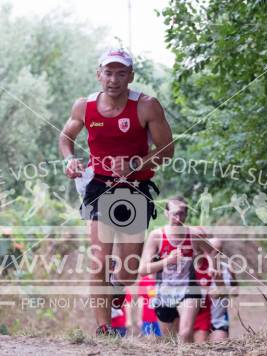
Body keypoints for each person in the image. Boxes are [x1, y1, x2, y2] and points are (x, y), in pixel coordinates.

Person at [59, 48, 174, 336]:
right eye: (108, 72)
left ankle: (118, 284)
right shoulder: (83, 107)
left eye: (120, 73)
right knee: (99, 258)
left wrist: (135, 163)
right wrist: (69, 159)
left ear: (130, 76)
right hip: (99, 184)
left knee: (129, 270)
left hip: (135, 187)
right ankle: (104, 329)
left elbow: (167, 151)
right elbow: (65, 137)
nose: (113, 79)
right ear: (99, 75)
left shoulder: (147, 106)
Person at [138, 196, 213, 343]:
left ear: (186, 214)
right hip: (164, 291)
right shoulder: (157, 236)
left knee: (185, 333)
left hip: (189, 289)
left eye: (182, 213)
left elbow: (212, 250)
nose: (178, 217)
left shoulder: (193, 234)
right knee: (170, 341)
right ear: (166, 213)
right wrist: (168, 261)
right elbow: (143, 270)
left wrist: (212, 266)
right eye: (174, 213)